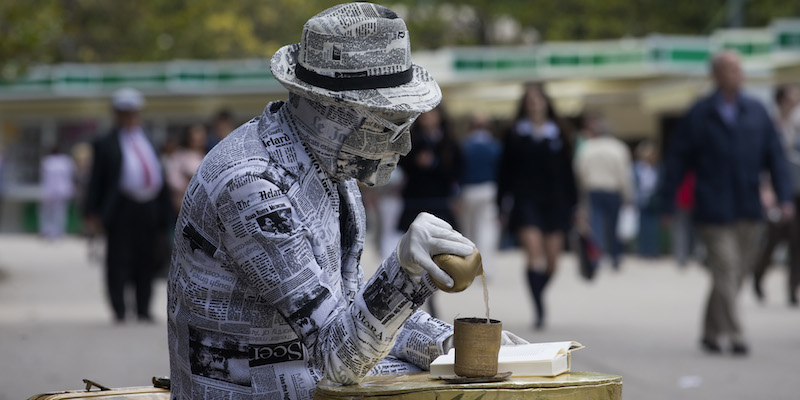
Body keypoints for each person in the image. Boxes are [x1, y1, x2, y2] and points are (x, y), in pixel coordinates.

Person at [166, 4, 525, 399]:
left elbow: (347, 314)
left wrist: (447, 343)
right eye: (392, 124)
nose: (405, 145)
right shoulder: (251, 183)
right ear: (335, 114)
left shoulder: (330, 170)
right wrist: (404, 273)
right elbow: (337, 360)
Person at [659, 51, 794, 356]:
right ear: (716, 74)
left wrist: (784, 197)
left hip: (748, 206)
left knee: (737, 274)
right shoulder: (700, 113)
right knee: (726, 269)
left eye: (739, 67)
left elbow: (776, 158)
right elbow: (677, 159)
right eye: (730, 68)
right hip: (712, 207)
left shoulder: (756, 111)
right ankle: (736, 333)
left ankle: (710, 331)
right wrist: (668, 203)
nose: (737, 72)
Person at [84, 87, 173, 323]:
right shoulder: (105, 143)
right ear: (116, 114)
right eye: (125, 112)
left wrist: (165, 213)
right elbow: (97, 180)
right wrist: (92, 212)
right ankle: (119, 309)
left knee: (147, 258)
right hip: (122, 207)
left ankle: (143, 308)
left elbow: (160, 176)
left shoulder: (150, 138)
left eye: (134, 112)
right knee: (118, 259)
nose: (130, 117)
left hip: (149, 207)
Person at [497, 83, 578, 329]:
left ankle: (538, 292)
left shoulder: (560, 133)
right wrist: (500, 204)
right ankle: (539, 309)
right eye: (529, 100)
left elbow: (568, 173)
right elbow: (504, 172)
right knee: (534, 255)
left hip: (555, 202)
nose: (534, 104)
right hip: (526, 201)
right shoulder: (515, 134)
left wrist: (576, 206)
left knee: (553, 262)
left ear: (546, 103)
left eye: (538, 99)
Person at [752, 83, 800, 306]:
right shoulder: (770, 125)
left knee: (796, 242)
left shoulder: (797, 124)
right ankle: (758, 275)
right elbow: (763, 162)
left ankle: (792, 289)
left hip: (797, 192)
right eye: (793, 95)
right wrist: (766, 190)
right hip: (778, 192)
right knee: (773, 241)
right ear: (781, 100)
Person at [573, 111, 634, 269]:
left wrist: (582, 189)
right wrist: (627, 193)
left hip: (593, 190)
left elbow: (579, 170)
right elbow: (624, 174)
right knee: (614, 226)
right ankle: (615, 257)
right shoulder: (619, 148)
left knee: (596, 225)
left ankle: (597, 257)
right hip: (613, 191)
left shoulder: (588, 147)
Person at [457, 111, 502, 277]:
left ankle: (468, 267)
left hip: (468, 191)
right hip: (489, 189)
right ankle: (486, 268)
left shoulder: (464, 146)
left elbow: (458, 172)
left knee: (468, 231)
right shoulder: (495, 146)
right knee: (487, 230)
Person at [164, 123, 208, 213]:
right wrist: (189, 186)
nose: (198, 138)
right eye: (195, 134)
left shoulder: (205, 156)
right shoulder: (179, 154)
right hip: (182, 204)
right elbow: (172, 179)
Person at [39, 146, 76, 239]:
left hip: (51, 190)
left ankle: (48, 231)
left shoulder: (47, 161)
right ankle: (58, 232)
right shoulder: (66, 161)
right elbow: (72, 175)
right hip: (62, 190)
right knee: (60, 213)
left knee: (48, 213)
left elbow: (44, 178)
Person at [632, 140, 661, 258]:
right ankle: (643, 250)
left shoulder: (657, 168)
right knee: (642, 226)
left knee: (653, 227)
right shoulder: (636, 167)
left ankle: (653, 250)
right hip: (641, 198)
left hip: (653, 199)